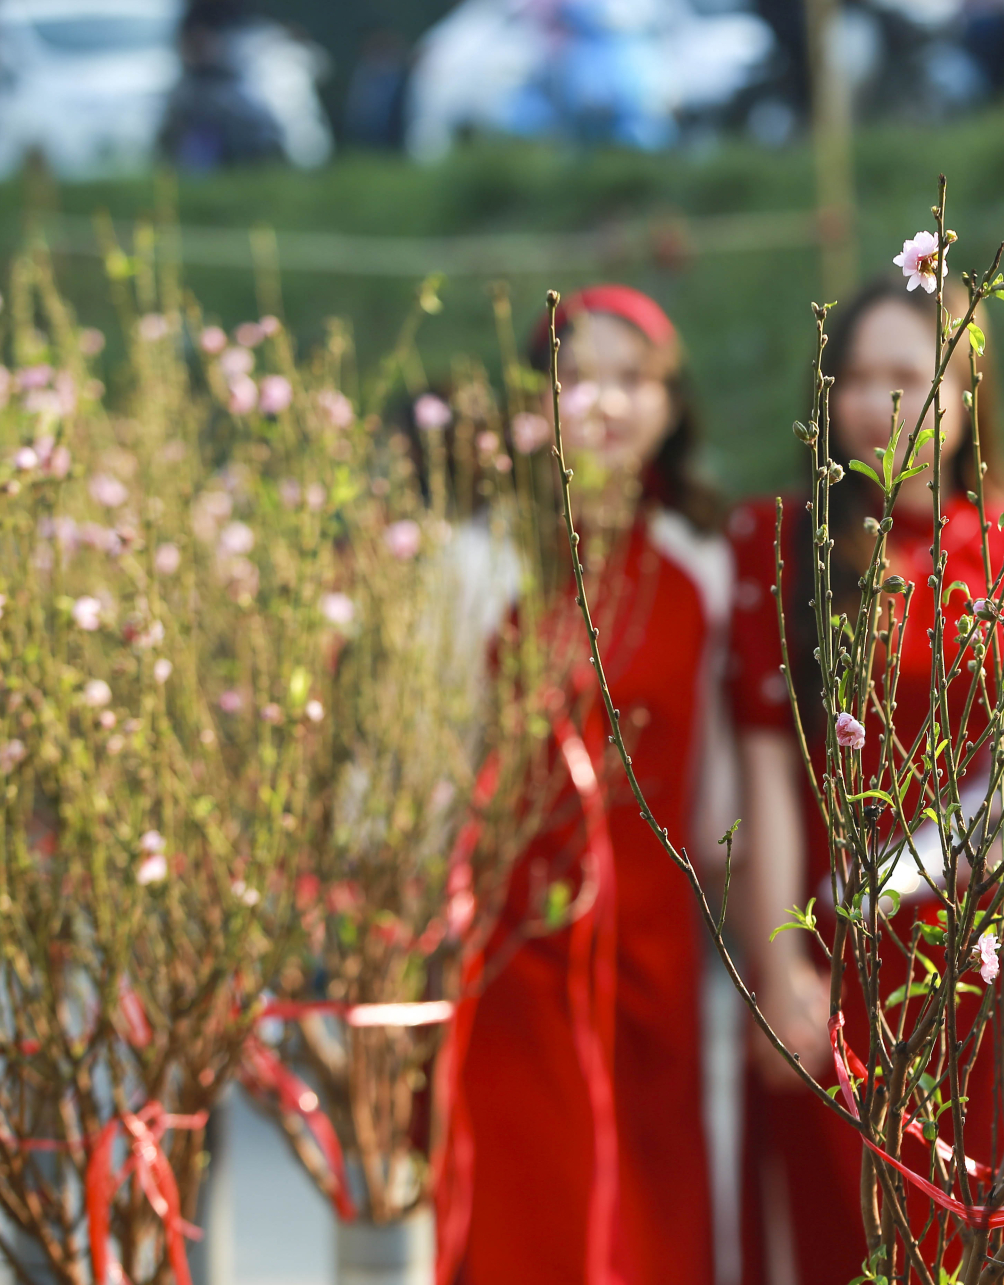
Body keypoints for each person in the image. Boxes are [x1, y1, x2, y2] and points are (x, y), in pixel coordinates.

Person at [727, 277, 1004, 1285]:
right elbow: (763, 768)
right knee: (852, 1239)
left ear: (969, 395)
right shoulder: (779, 546)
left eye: (911, 378)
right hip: (843, 961)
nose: (879, 403)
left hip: (999, 959)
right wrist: (784, 969)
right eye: (856, 377)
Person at [442, 285, 730, 1285]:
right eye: (578, 379)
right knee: (529, 1206)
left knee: (652, 1203)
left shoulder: (706, 563)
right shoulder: (484, 564)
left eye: (632, 381)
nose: (605, 405)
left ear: (671, 404)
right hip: (511, 954)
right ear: (536, 404)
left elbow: (722, 779)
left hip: (655, 952)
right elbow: (445, 764)